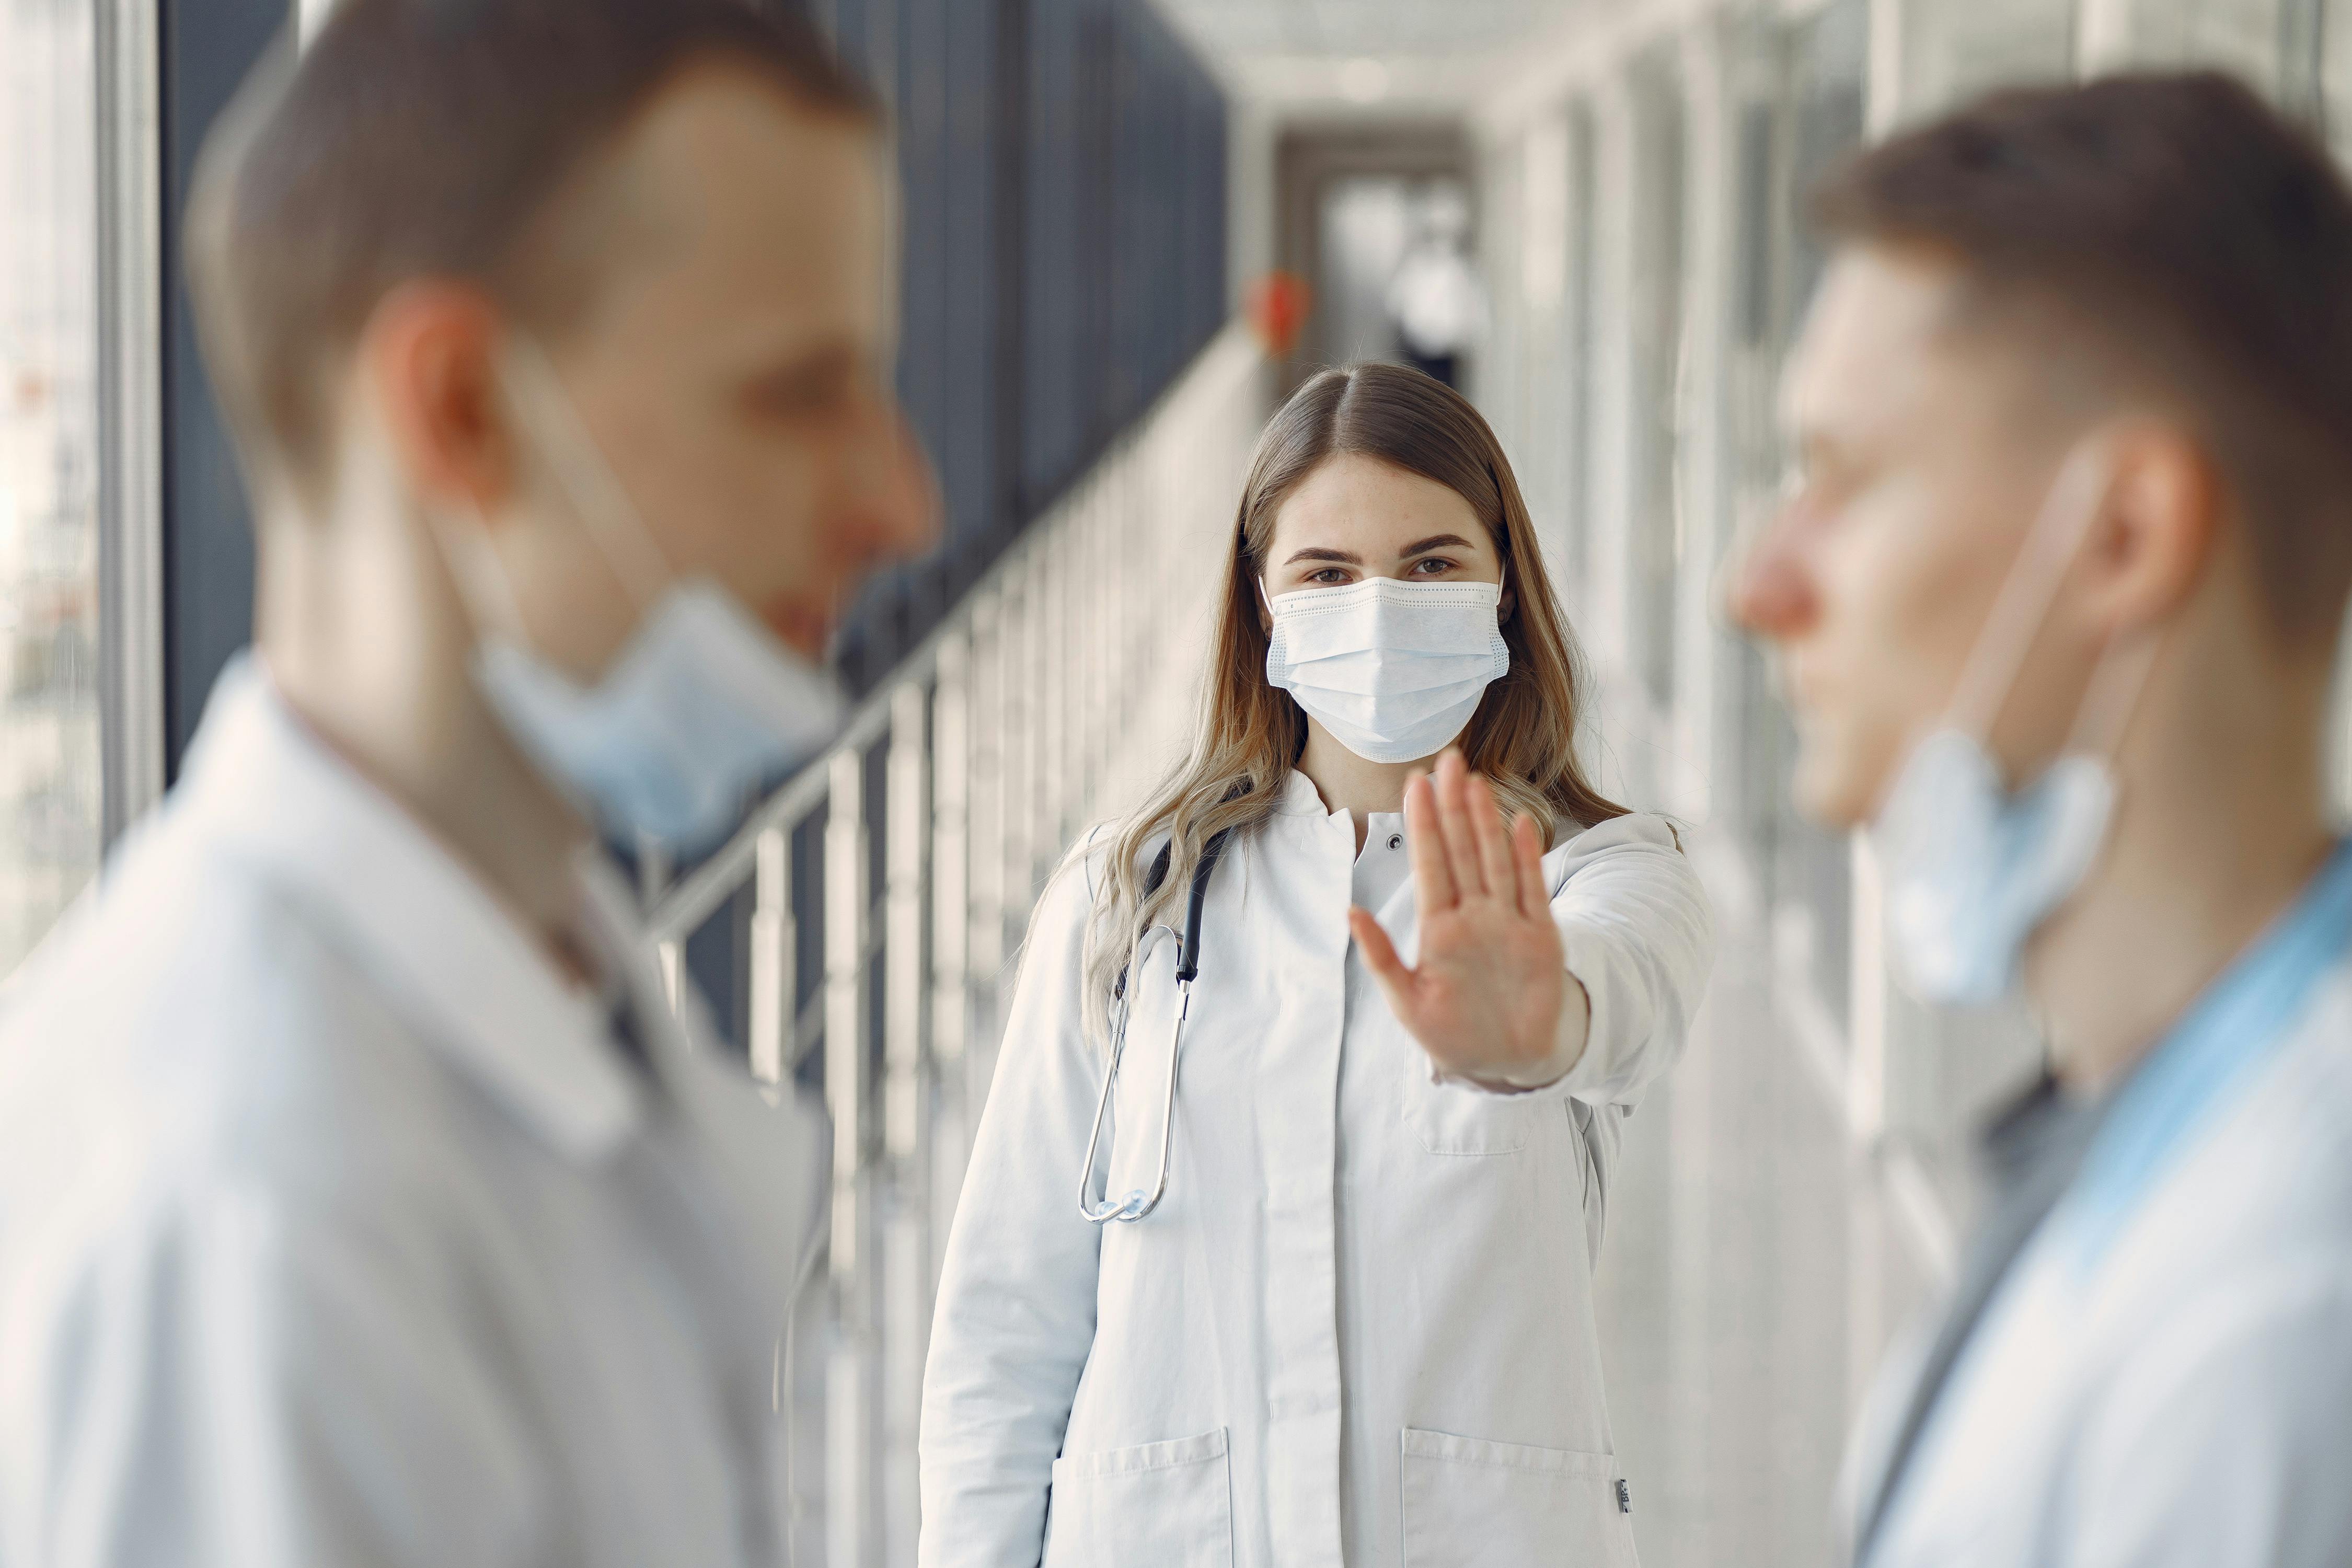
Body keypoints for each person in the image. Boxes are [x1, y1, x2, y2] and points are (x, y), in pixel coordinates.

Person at [0, 1, 935, 1561]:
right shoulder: (248, 1218)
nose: (903, 497)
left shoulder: (543, 967)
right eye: (794, 392)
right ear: (461, 410)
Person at [919, 362, 1713, 1567]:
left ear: (1504, 590)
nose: (1381, 606)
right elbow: (1003, 1337)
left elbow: (1628, 997)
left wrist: (1543, 1025)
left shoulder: (1596, 875)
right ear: (1265, 608)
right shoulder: (1124, 898)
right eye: (1328, 574)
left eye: (1433, 562)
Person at [1731, 73, 2352, 1568]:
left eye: (1841, 477)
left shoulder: (2277, 1326)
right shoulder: (2136, 1131)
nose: (1754, 584)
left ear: (2123, 536)